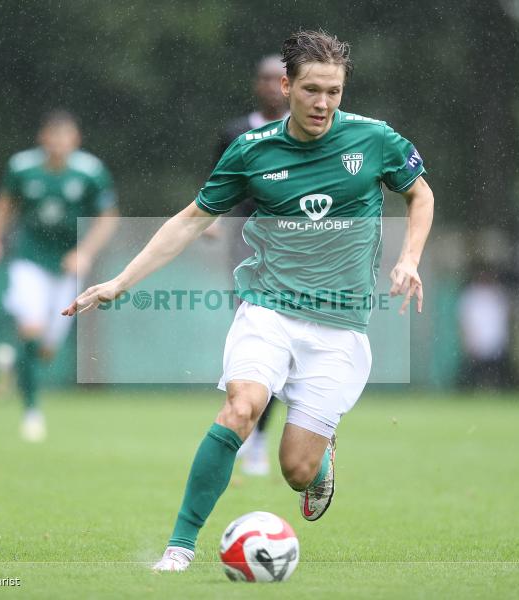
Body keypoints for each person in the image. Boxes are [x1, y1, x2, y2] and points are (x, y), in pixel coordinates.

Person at [63, 29, 434, 572]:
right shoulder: (252, 151)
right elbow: (191, 220)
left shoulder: (375, 139)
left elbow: (419, 192)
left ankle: (319, 459)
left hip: (340, 328)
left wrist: (409, 259)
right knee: (241, 409)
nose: (324, 103)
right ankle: (180, 546)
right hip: (268, 310)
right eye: (311, 90)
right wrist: (121, 281)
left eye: (334, 91)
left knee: (295, 470)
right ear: (286, 86)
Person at [0, 110, 119, 442]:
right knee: (31, 329)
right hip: (29, 260)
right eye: (52, 138)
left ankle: (12, 364)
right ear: (43, 139)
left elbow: (108, 217)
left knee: (45, 350)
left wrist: (84, 252)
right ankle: (31, 412)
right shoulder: (22, 166)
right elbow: (4, 203)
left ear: (75, 140)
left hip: (65, 267)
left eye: (64, 137)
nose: (58, 144)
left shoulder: (90, 172)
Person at [213, 54, 289, 476]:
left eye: (278, 78)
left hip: (291, 245)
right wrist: (211, 220)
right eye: (263, 78)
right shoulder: (234, 132)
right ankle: (245, 424)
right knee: (253, 329)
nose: (270, 85)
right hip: (244, 242)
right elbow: (217, 184)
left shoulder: (306, 132)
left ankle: (258, 438)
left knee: (278, 340)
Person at [457, 264, 516, 389]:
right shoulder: (471, 295)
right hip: (478, 343)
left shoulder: (498, 294)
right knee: (473, 376)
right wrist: (469, 341)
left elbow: (505, 317)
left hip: (496, 342)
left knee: (499, 375)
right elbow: (465, 321)